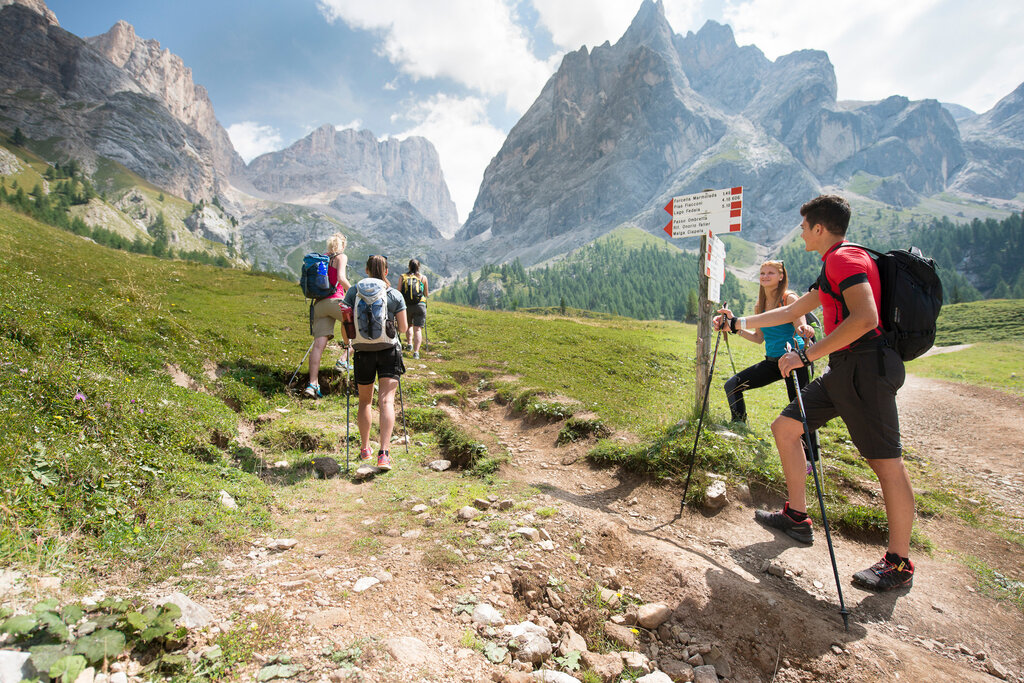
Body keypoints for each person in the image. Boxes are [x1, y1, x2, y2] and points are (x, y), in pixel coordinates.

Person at [715, 194, 916, 592]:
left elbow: (866, 318)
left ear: (820, 228)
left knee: (886, 464)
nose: (802, 232)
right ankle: (797, 517)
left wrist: (806, 354)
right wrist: (738, 322)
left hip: (866, 368)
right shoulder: (836, 263)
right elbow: (791, 312)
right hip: (844, 368)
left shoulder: (844, 259)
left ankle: (899, 562)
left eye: (805, 226)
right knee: (786, 428)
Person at [723, 260, 819, 472]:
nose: (765, 276)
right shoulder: (760, 305)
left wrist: (806, 330)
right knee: (733, 385)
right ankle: (739, 428)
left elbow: (800, 325)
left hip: (794, 361)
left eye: (770, 273)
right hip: (772, 362)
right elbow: (758, 338)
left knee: (800, 408)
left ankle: (811, 460)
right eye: (762, 273)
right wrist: (733, 329)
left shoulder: (788, 298)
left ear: (781, 276)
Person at [342, 255, 408, 470]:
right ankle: (384, 454)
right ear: (386, 271)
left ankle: (364, 448)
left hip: (363, 352)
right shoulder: (394, 294)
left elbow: (346, 322)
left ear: (367, 270)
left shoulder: (354, 291)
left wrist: (348, 344)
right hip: (389, 350)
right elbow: (404, 328)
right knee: (386, 401)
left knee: (365, 402)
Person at [304, 232, 351, 399]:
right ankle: (344, 359)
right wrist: (354, 291)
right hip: (335, 300)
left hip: (319, 305)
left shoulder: (322, 258)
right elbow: (341, 278)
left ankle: (313, 384)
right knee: (358, 327)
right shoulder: (341, 257)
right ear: (342, 245)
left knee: (318, 345)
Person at [399, 259, 429, 360]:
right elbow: (426, 293)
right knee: (418, 329)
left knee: (409, 325)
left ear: (409, 266)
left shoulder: (403, 277)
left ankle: (409, 344)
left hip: (407, 305)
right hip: (420, 305)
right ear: (419, 267)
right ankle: (416, 353)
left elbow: (399, 291)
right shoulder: (423, 278)